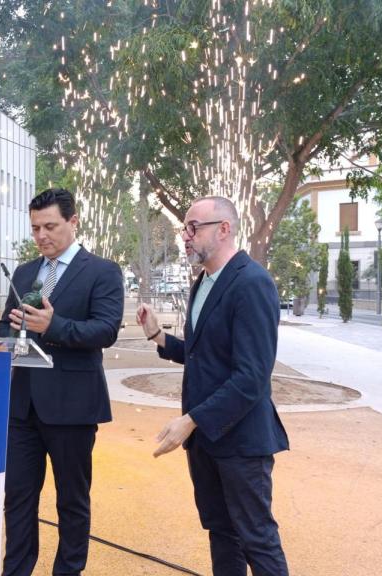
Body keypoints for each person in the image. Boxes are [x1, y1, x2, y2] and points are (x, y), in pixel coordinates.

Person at [137, 196, 290, 576]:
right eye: (183, 229)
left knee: (257, 537)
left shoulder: (252, 282)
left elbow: (252, 376)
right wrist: (159, 336)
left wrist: (191, 420)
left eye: (193, 227)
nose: (185, 237)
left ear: (224, 229)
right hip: (208, 440)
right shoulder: (203, 281)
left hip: (241, 441)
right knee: (221, 532)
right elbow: (205, 353)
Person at [0, 188, 124, 576]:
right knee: (17, 498)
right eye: (35, 228)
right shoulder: (24, 273)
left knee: (71, 500)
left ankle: (67, 571)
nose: (41, 236)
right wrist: (9, 330)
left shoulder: (102, 272)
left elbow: (105, 330)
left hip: (72, 407)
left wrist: (55, 326)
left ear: (73, 222)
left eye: (49, 226)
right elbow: (5, 324)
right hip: (20, 406)